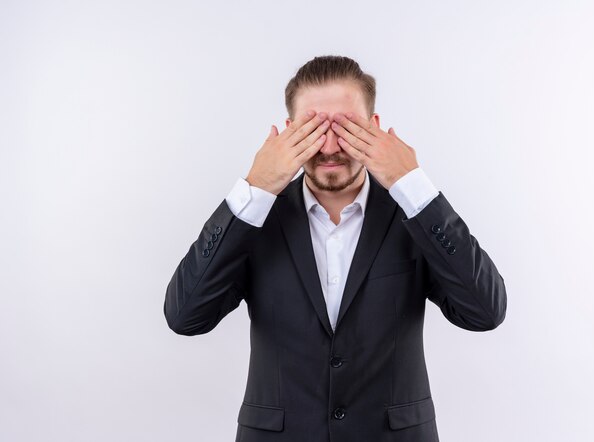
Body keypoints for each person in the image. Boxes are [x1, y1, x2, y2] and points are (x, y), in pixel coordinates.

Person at [163, 55, 507, 442]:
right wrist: (254, 188)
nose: (328, 147)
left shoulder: (413, 215)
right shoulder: (256, 218)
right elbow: (185, 316)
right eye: (312, 129)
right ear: (288, 132)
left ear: (374, 128)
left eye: (346, 128)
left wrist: (412, 184)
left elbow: (485, 312)